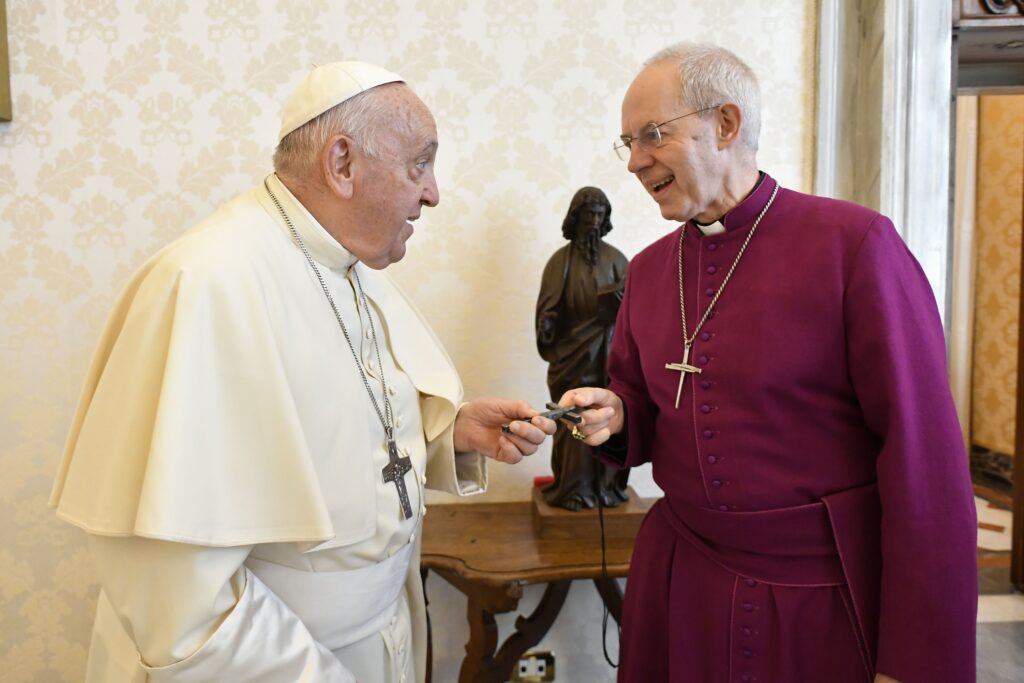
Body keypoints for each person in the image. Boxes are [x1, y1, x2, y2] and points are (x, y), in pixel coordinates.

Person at [50, 61, 556, 683]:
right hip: (280, 662)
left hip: (377, 637)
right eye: (419, 165)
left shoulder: (344, 268)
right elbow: (175, 593)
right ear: (342, 164)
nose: (433, 193)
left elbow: (330, 445)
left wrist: (444, 437)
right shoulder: (209, 283)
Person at [560, 43, 978, 683]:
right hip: (680, 582)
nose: (636, 162)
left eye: (652, 135)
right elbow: (640, 403)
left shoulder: (855, 248)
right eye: (628, 143)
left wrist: (918, 660)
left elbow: (925, 464)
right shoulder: (645, 272)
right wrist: (615, 414)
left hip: (818, 601)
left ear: (725, 124)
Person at [535, 186, 629, 510]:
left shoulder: (617, 260)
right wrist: (547, 324)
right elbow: (548, 311)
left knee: (606, 420)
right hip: (572, 358)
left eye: (600, 214)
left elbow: (636, 313)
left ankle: (606, 490)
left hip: (609, 357)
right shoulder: (560, 263)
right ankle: (573, 489)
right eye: (588, 213)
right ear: (576, 217)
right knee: (573, 420)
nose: (594, 220)